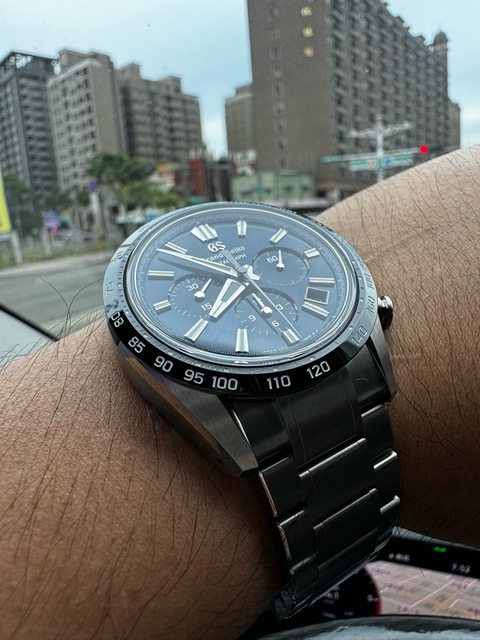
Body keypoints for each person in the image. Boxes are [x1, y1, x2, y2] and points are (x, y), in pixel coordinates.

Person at [1, 146, 479, 639]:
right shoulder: (162, 321)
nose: (247, 275)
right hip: (247, 404)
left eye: (250, 270)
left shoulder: (340, 308)